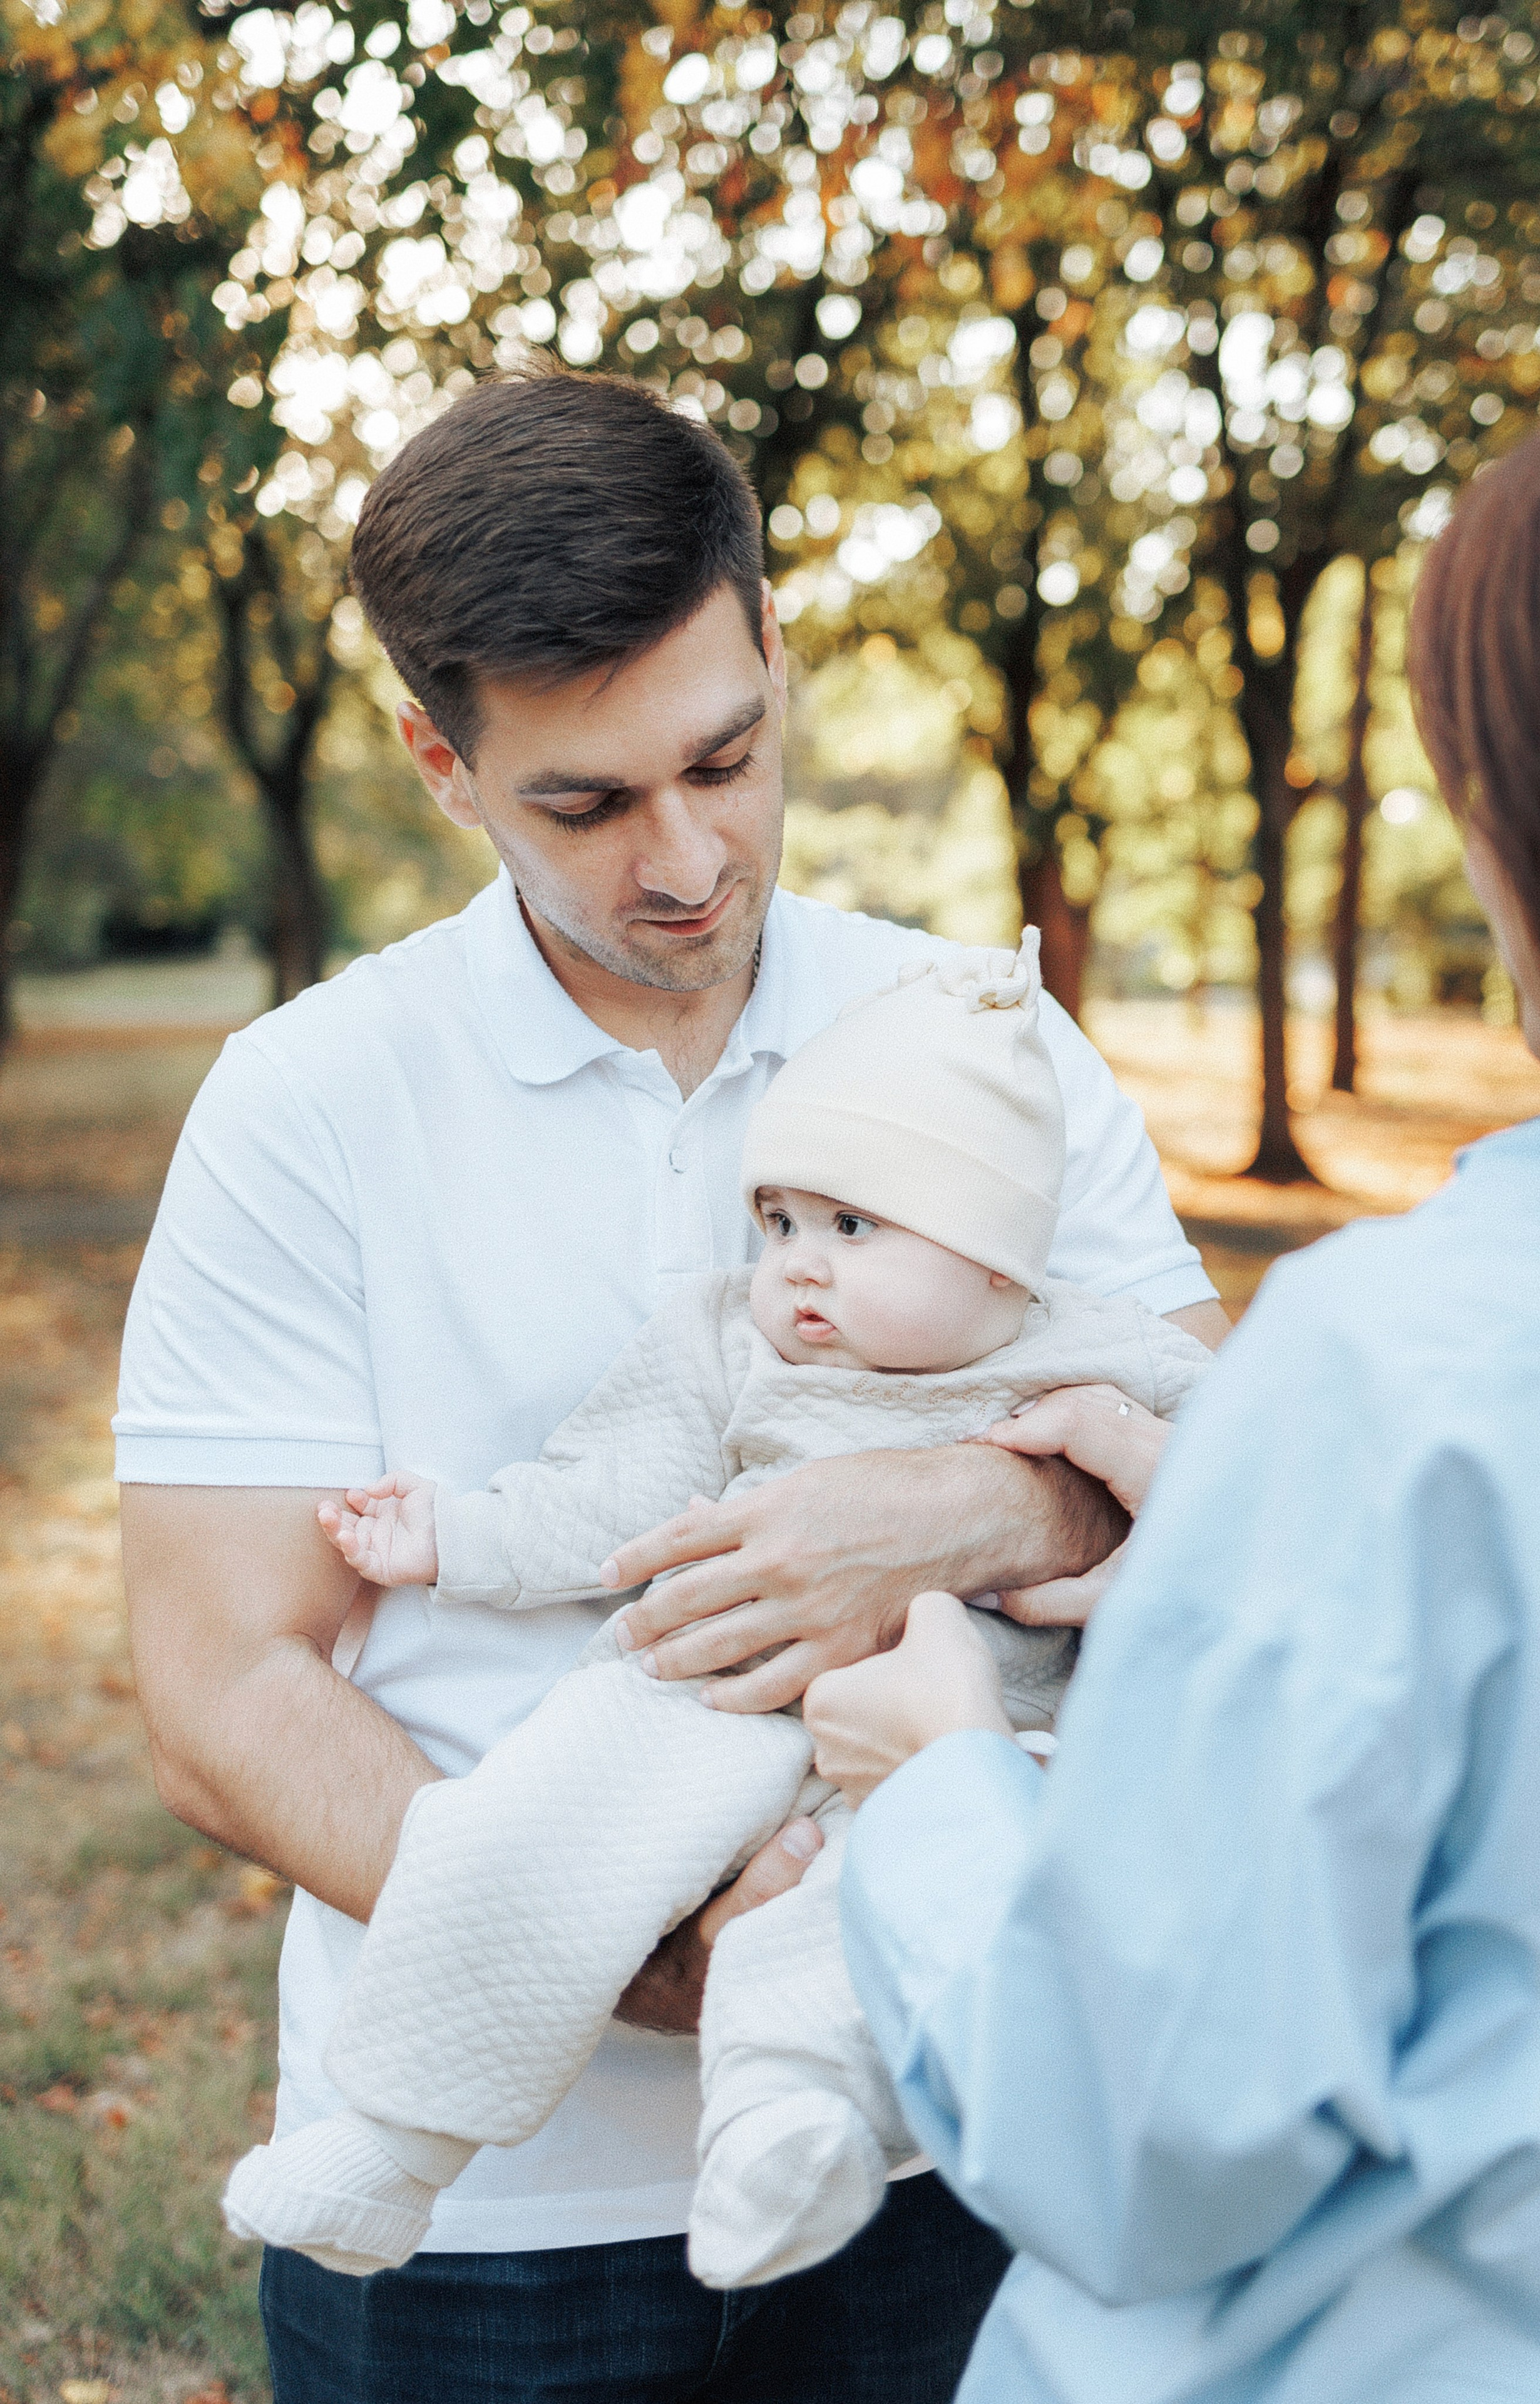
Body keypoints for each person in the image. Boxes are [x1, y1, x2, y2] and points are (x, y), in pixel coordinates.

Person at [116, 369, 1224, 2404]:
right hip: (488, 2238)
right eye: (590, 802)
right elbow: (220, 1688)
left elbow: (1224, 1501)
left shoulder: (984, 1039)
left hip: (948, 2143)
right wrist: (653, 1963)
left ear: (778, 645)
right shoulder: (308, 1104)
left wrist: (1001, 1506)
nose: (692, 857)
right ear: (438, 764)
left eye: (728, 755)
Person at [806, 388, 1540, 2402]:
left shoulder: (1403, 1376)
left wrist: (937, 1796)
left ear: (1525, 808)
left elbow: (1143, 2132)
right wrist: (1232, 1577)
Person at [217, 930, 1212, 2291]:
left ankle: (784, 2136)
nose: (798, 1265)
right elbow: (604, 1496)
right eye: (780, 1222)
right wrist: (451, 1534)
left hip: (964, 1738)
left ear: (995, 1264)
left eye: (853, 1226)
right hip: (705, 1691)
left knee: (858, 1912)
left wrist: (1115, 1442)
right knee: (517, 1829)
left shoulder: (1093, 1347)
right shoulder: (724, 1343)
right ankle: (393, 2133)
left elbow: (1248, 1491)